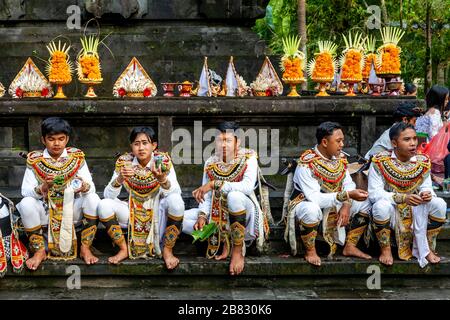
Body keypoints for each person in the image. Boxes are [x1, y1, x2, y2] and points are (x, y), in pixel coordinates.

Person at [183, 121, 270, 276]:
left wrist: (215, 183)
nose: (223, 145)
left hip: (244, 211)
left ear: (238, 142)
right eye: (219, 140)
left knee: (234, 196)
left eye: (228, 140)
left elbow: (247, 187)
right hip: (216, 215)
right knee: (181, 220)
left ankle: (237, 250)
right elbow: (206, 195)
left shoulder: (249, 157)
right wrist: (202, 215)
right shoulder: (210, 162)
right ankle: (222, 241)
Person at [16, 117, 100, 270]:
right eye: (51, 139)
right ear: (43, 139)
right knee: (26, 203)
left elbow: (91, 188)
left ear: (67, 139)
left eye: (61, 139)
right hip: (46, 211)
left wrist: (83, 186)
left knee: (93, 198)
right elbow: (25, 191)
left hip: (71, 210)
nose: (56, 143)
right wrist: (44, 187)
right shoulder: (35, 160)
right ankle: (39, 251)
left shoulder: (77, 158)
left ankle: (85, 247)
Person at [96, 127, 185, 269]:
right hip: (132, 212)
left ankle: (167, 250)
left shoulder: (163, 161)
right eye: (137, 143)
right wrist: (119, 178)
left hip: (158, 214)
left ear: (154, 146)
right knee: (104, 205)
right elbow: (108, 195)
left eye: (145, 143)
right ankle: (124, 249)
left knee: (177, 202)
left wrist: (162, 179)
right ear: (131, 146)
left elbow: (176, 192)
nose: (141, 148)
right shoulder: (124, 162)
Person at [285, 122, 372, 266]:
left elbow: (348, 184)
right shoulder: (306, 164)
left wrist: (346, 204)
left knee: (367, 203)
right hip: (308, 206)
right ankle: (310, 251)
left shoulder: (338, 160)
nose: (342, 144)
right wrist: (346, 196)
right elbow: (315, 199)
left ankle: (350, 246)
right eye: (338, 141)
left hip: (335, 204)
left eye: (342, 140)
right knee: (310, 209)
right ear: (324, 142)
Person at [368, 122, 447, 267]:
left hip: (416, 208)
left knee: (440, 204)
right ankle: (385, 250)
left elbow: (426, 185)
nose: (413, 143)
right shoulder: (380, 161)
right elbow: (374, 193)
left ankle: (427, 249)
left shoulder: (422, 162)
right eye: (407, 140)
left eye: (415, 139)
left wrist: (426, 194)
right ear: (394, 143)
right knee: (380, 207)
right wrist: (402, 198)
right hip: (392, 209)